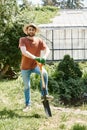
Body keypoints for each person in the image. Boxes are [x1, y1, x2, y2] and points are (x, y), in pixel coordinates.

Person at [19, 23, 53, 112]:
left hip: (36, 65)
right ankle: (28, 104)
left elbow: (47, 49)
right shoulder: (22, 40)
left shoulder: (39, 40)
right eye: (29, 29)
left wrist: (44, 57)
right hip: (25, 67)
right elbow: (24, 52)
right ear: (27, 31)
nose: (31, 31)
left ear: (35, 31)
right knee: (27, 86)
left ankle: (44, 95)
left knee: (44, 74)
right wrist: (35, 57)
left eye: (33, 30)